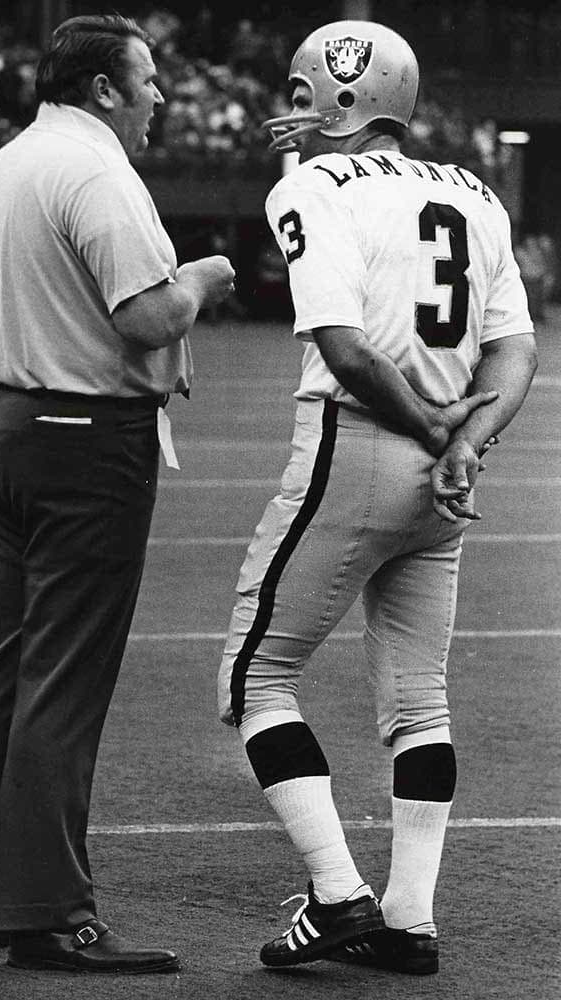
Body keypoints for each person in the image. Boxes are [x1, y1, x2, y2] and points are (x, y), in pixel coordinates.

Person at [217, 20, 537, 976]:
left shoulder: (310, 185)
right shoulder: (477, 194)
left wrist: (437, 430)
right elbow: (517, 349)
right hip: (446, 476)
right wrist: (466, 439)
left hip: (358, 448)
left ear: (346, 97)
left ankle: (338, 893)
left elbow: (343, 344)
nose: (295, 106)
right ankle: (408, 919)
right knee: (421, 705)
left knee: (254, 681)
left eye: (308, 90)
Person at [0, 12, 234, 975]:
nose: (159, 95)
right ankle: (48, 910)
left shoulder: (13, 159)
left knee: (19, 662)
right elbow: (148, 314)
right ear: (105, 88)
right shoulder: (98, 171)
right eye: (146, 79)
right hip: (79, 438)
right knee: (65, 674)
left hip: (2, 421)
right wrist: (204, 274)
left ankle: (1, 891)